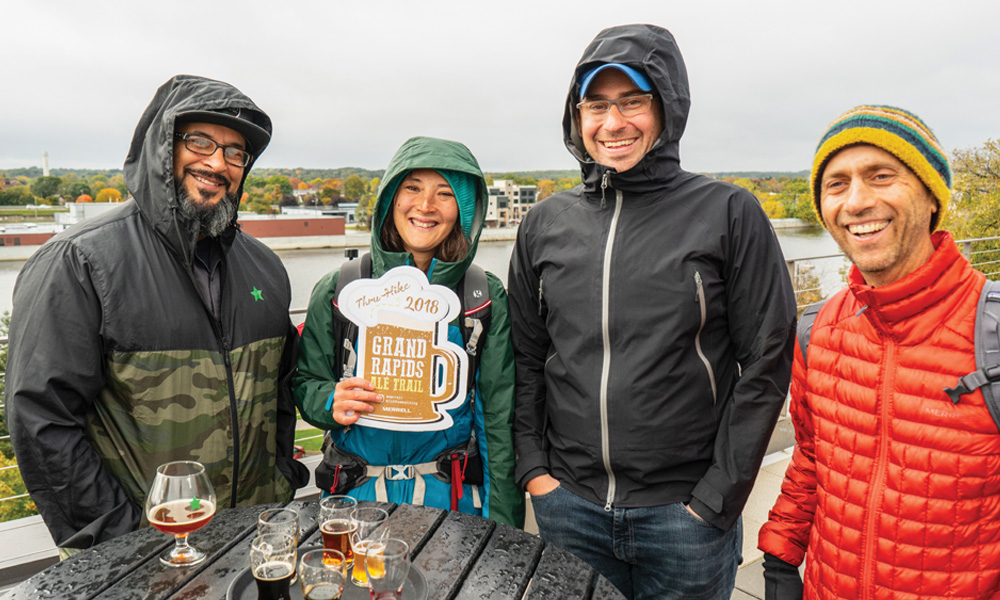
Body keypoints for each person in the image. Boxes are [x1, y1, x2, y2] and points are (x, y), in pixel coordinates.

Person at [507, 23, 797, 599]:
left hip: (685, 518)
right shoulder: (545, 223)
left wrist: (716, 497)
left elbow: (766, 361)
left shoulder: (728, 212)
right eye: (596, 106)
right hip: (570, 507)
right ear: (577, 117)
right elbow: (527, 357)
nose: (613, 123)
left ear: (667, 109)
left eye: (632, 102)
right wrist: (535, 473)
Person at [5, 75, 308, 554]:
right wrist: (121, 543)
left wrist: (282, 479)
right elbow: (43, 420)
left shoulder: (265, 267)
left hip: (252, 539)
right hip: (137, 550)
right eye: (200, 141)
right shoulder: (80, 261)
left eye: (235, 152)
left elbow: (282, 391)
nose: (217, 163)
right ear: (162, 147)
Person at [758, 105, 1000, 598]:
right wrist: (781, 555)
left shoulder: (991, 332)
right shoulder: (817, 329)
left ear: (932, 195)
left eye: (881, 176)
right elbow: (811, 457)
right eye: (837, 184)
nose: (856, 202)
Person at [294, 136, 524, 527]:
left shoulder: (482, 297)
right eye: (412, 188)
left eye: (445, 193)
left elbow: (497, 423)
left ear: (464, 210)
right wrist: (329, 400)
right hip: (353, 503)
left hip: (452, 507)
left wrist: (503, 532)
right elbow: (305, 383)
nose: (425, 206)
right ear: (389, 200)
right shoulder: (340, 289)